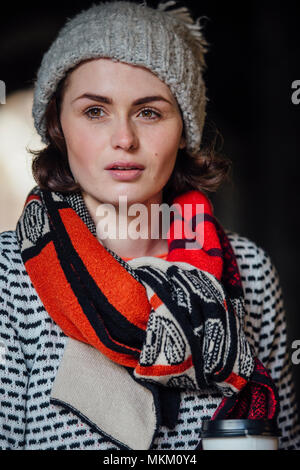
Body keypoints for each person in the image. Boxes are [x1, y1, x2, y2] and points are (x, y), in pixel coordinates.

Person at [0, 0, 299, 451]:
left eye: (149, 112)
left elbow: (286, 440)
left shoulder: (250, 270)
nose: (124, 138)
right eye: (95, 111)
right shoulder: (9, 275)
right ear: (58, 125)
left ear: (185, 131)